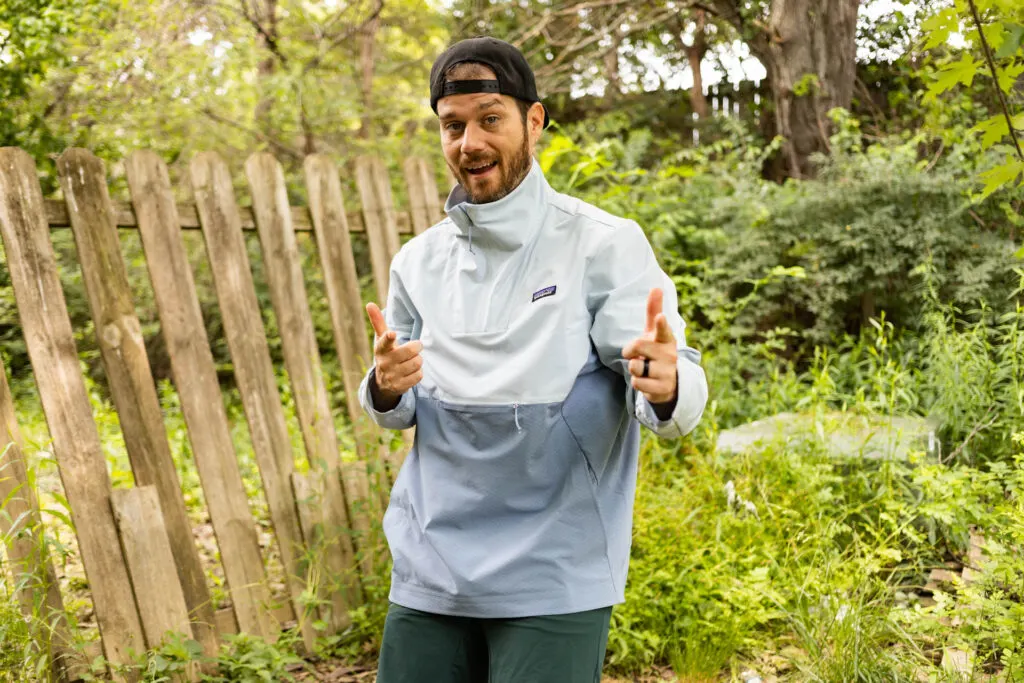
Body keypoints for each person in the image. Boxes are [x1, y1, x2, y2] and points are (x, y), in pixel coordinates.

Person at [358, 36, 708, 683]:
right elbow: (396, 406)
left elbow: (671, 399)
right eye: (453, 125)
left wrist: (664, 384)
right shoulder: (418, 261)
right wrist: (384, 385)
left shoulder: (602, 245)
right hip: (431, 564)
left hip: (554, 567)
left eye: (490, 119)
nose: (470, 143)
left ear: (535, 121)